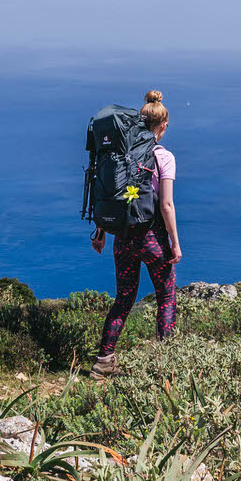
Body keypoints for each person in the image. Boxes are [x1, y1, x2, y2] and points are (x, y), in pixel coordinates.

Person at [89, 89, 180, 379]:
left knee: (123, 299)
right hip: (153, 239)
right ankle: (166, 367)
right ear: (163, 126)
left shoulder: (120, 157)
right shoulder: (163, 157)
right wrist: (175, 244)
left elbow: (112, 194)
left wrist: (100, 231)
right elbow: (166, 205)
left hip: (123, 238)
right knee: (166, 297)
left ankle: (103, 361)